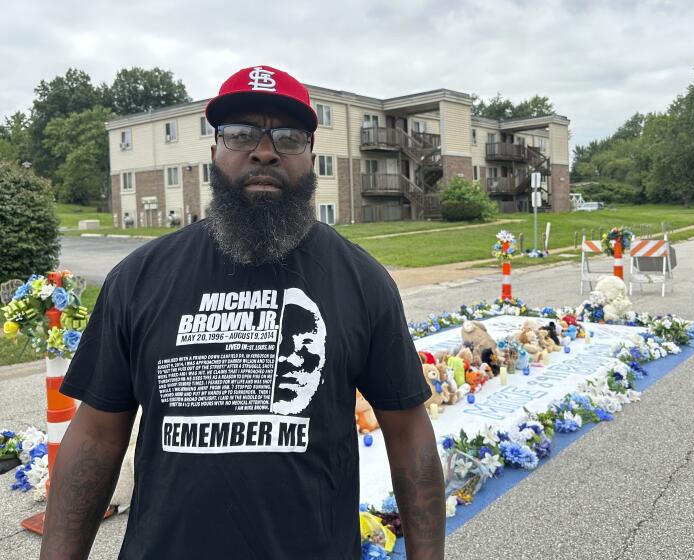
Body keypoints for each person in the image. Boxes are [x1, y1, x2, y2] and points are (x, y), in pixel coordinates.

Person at [41, 65, 445, 560]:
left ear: (311, 155)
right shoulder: (141, 278)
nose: (265, 150)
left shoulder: (361, 281)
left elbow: (408, 433)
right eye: (241, 133)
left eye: (289, 136)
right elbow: (97, 436)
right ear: (214, 151)